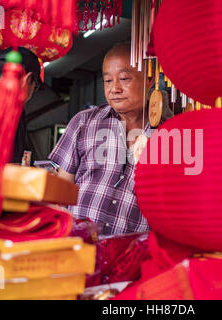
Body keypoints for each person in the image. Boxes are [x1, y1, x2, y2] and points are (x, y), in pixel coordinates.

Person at [49, 43, 160, 235]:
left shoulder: (169, 134)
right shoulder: (83, 122)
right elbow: (60, 192)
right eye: (108, 81)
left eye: (124, 78)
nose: (114, 88)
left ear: (150, 79)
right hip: (76, 246)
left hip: (132, 254)